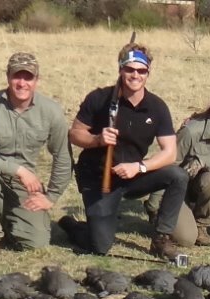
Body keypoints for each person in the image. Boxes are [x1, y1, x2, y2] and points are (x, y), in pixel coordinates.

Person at [60, 42, 187, 261]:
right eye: (129, 69)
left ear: (148, 73)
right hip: (99, 179)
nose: (135, 75)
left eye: (141, 70)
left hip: (131, 175)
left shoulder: (157, 106)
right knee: (99, 247)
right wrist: (97, 139)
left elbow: (170, 153)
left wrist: (139, 167)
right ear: (120, 69)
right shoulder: (99, 98)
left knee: (178, 175)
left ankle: (161, 239)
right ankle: (72, 226)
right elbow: (74, 134)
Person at [0, 52, 71, 261]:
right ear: (8, 77)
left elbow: (63, 156)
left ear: (37, 80)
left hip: (23, 186)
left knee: (36, 242)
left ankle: (6, 217)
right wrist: (20, 170)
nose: (22, 83)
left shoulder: (51, 110)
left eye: (28, 77)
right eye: (16, 76)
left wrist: (52, 197)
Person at [145, 81, 210, 247]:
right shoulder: (191, 131)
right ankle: (164, 216)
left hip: (198, 188)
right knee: (186, 240)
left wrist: (203, 160)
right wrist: (154, 205)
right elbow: (166, 164)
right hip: (176, 190)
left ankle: (201, 225)